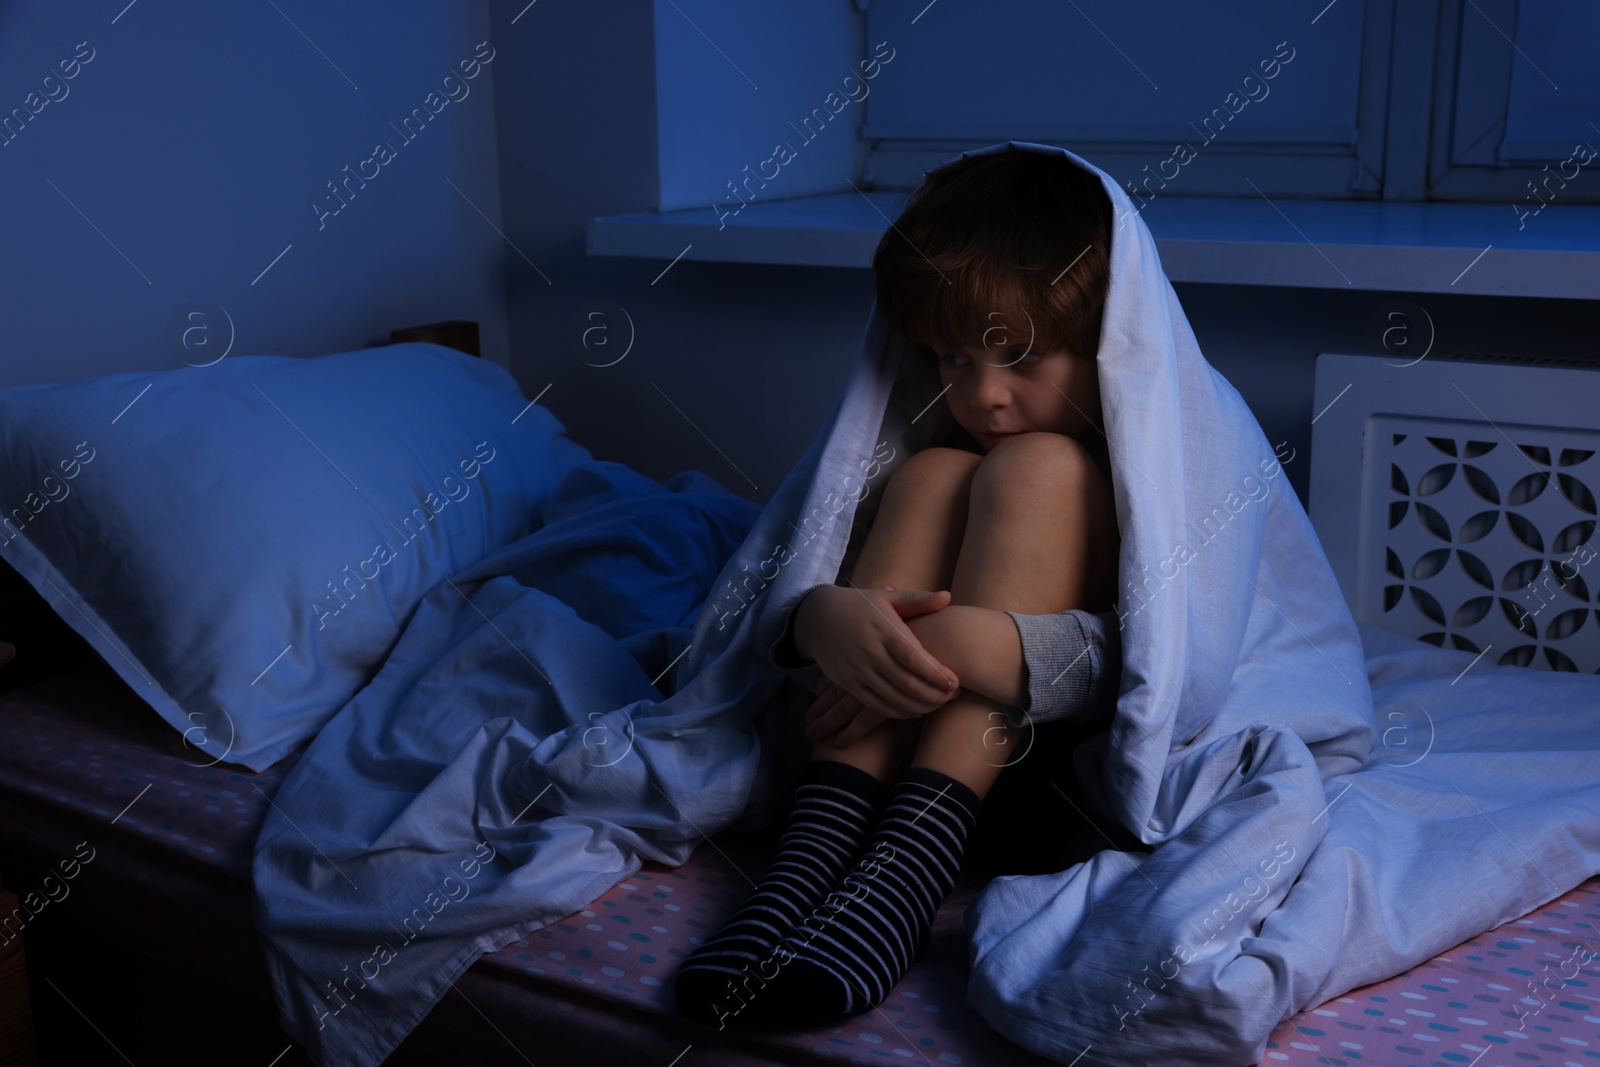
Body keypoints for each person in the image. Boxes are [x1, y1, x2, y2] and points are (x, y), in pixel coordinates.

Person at [673, 146, 1128, 1030]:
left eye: (1021, 358)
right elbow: (799, 569)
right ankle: (807, 867)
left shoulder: (1139, 472)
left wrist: (991, 645)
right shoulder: (945, 451)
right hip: (860, 784)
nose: (983, 395)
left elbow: (1169, 667)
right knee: (927, 479)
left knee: (1036, 467)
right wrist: (817, 616)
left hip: (1024, 793)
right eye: (953, 360)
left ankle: (905, 881)